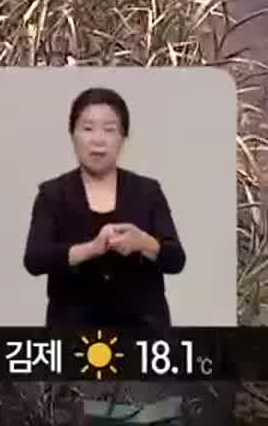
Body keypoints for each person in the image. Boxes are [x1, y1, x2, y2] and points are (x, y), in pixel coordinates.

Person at [22, 86, 186, 329]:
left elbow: (175, 259)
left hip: (143, 334)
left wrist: (143, 243)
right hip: (72, 334)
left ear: (123, 138)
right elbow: (34, 260)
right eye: (87, 129)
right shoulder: (52, 194)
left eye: (109, 130)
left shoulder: (148, 191)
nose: (98, 139)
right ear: (73, 134)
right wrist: (92, 249)